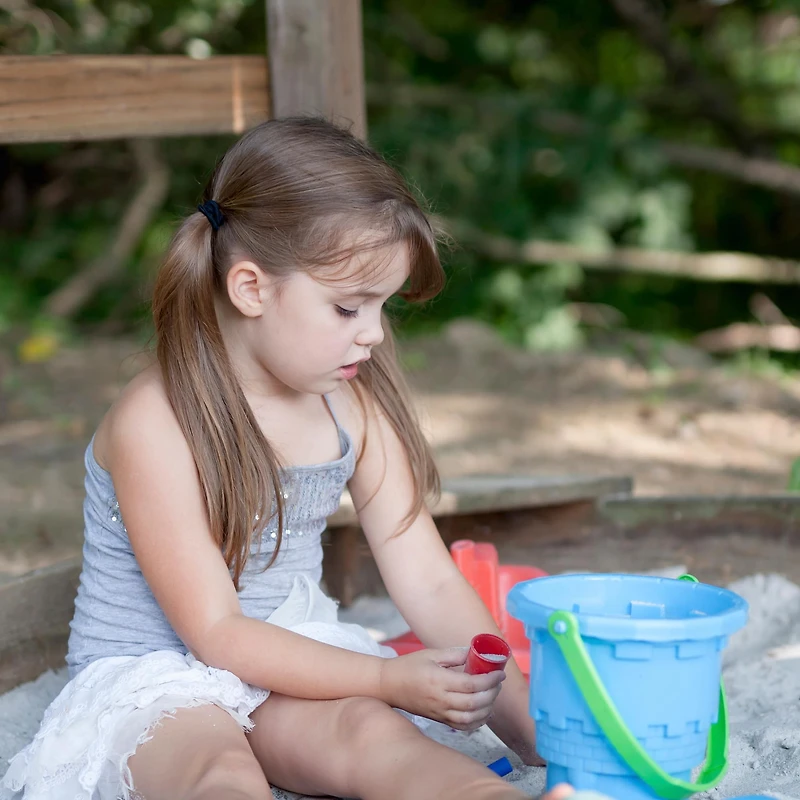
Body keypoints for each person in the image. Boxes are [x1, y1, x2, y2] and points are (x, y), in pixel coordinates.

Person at [1, 117, 575, 800]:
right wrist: (389, 678)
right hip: (156, 675)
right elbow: (216, 633)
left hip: (291, 657)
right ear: (251, 288)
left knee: (375, 738)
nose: (374, 333)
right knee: (218, 770)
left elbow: (431, 583)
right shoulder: (155, 422)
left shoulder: (348, 407)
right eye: (348, 307)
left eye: (383, 306)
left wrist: (528, 726)